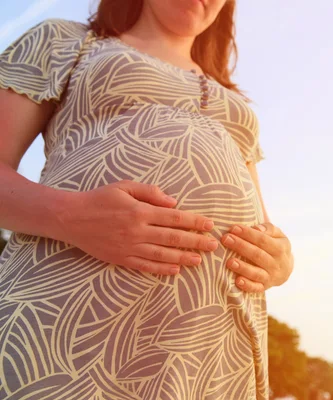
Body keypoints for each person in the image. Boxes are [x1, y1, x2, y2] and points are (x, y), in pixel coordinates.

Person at [0, 0, 294, 398]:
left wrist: (279, 260)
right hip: (70, 320)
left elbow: (261, 220)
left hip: (212, 347)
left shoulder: (235, 105)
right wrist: (69, 215)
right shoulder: (67, 42)